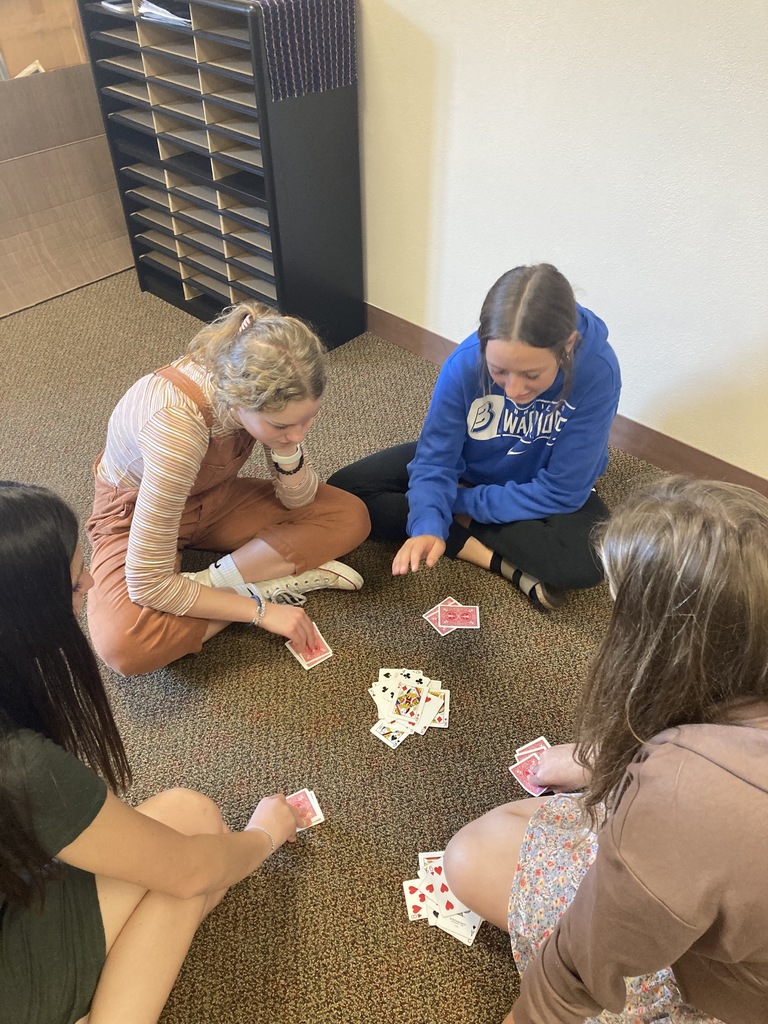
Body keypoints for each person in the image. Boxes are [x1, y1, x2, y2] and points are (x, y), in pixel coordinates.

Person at [443, 476, 768, 1024]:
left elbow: (577, 971)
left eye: (622, 607)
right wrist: (601, 758)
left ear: (670, 641)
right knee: (528, 821)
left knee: (470, 855)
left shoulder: (689, 791)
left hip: (731, 994)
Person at [0, 481, 310, 1024]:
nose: (93, 582)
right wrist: (265, 835)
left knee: (188, 824)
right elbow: (188, 872)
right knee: (194, 855)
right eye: (75, 583)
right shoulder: (21, 765)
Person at [86, 301, 371, 676]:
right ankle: (257, 585)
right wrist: (259, 611)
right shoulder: (176, 431)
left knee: (351, 516)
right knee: (124, 646)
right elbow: (148, 585)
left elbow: (298, 499)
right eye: (282, 425)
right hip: (133, 513)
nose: (300, 433)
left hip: (211, 496)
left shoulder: (260, 390)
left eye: (307, 418)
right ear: (237, 401)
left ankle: (209, 584)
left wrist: (285, 447)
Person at [328, 264, 621, 609]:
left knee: (589, 561)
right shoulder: (464, 364)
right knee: (345, 492)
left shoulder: (598, 371)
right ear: (483, 345)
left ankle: (462, 524)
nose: (513, 390)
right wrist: (427, 523)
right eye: (498, 371)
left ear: (568, 346)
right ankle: (497, 561)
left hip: (539, 483)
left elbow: (563, 490)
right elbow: (437, 458)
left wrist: (456, 504)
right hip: (470, 463)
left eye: (531, 375)